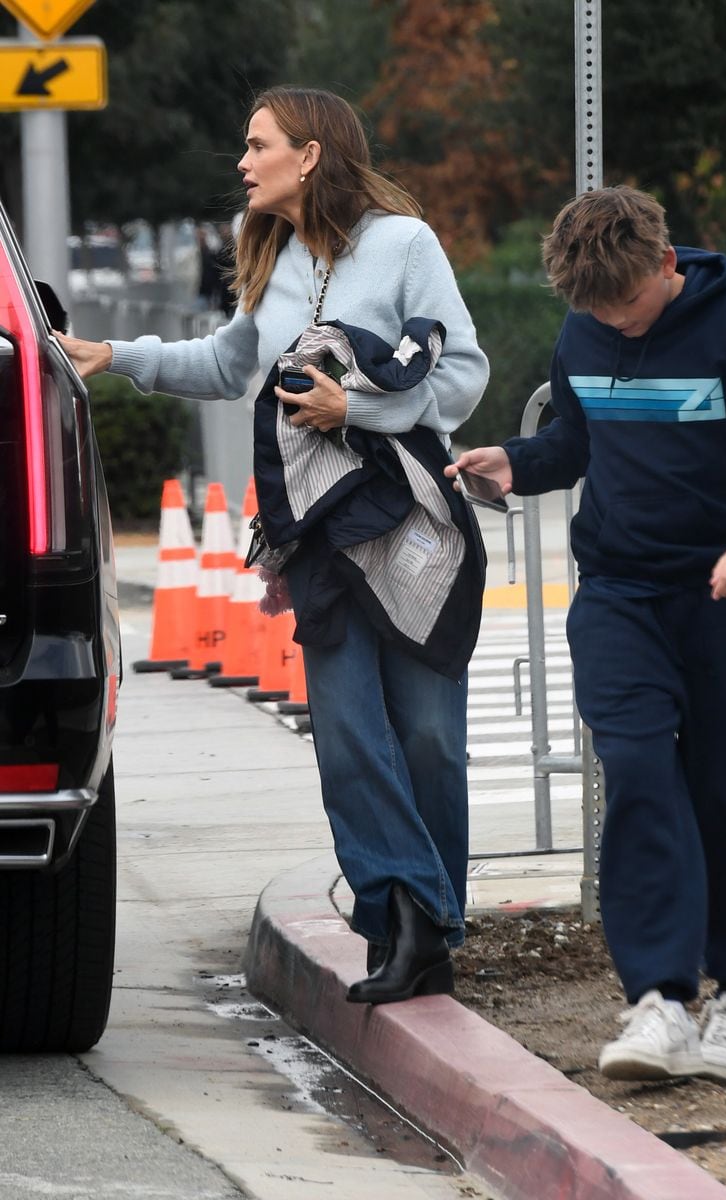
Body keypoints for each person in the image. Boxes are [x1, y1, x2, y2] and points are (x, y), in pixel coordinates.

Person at [58, 86, 490, 1005]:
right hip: (318, 532)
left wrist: (358, 408)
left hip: (412, 524)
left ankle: (432, 927)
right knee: (346, 736)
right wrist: (116, 355)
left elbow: (462, 377)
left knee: (426, 737)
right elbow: (226, 364)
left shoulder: (404, 246)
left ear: (312, 153)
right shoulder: (274, 258)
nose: (244, 162)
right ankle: (402, 919)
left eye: (258, 145)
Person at [447, 185, 726, 1083]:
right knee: (637, 773)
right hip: (618, 593)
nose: (615, 325)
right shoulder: (586, 326)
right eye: (596, 311)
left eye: (627, 304)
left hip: (723, 596)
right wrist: (520, 460)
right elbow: (577, 444)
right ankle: (657, 1001)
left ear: (665, 267)